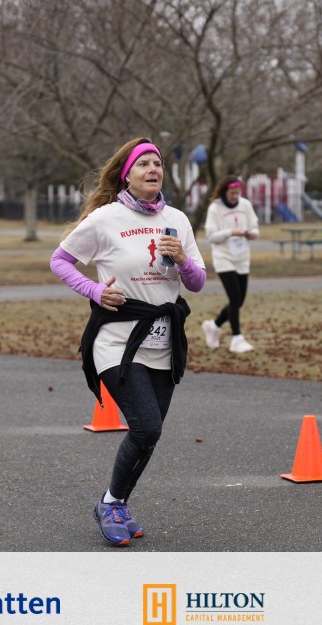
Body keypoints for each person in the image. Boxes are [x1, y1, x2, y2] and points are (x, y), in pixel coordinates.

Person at [50, 137, 206, 546]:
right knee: (146, 425)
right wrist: (95, 291)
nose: (153, 169)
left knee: (149, 434)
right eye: (144, 164)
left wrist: (184, 260)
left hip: (164, 340)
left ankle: (116, 503)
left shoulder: (177, 220)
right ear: (127, 174)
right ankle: (112, 503)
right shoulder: (105, 219)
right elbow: (60, 261)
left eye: (158, 163)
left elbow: (197, 283)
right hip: (117, 339)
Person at [201, 176, 259, 353]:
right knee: (235, 298)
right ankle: (237, 339)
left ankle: (213, 325)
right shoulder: (215, 208)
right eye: (232, 193)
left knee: (239, 301)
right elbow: (211, 236)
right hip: (223, 258)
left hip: (242, 257)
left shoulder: (245, 205)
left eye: (237, 193)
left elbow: (255, 228)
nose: (235, 196)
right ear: (225, 191)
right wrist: (231, 232)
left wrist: (251, 234)